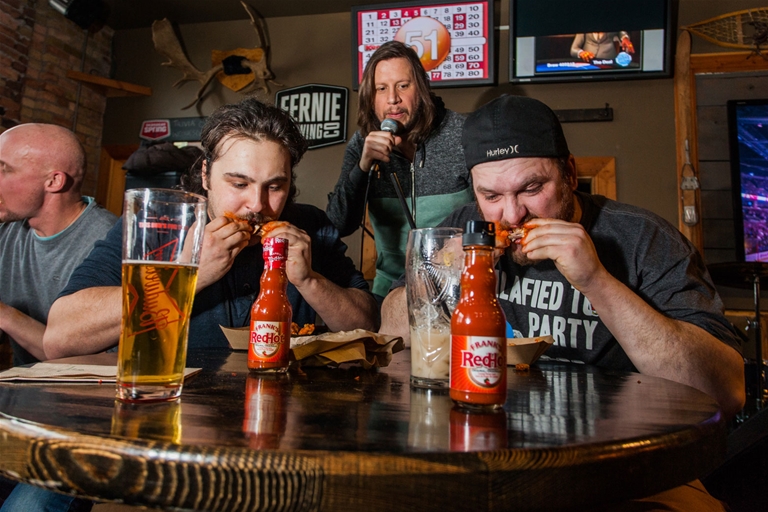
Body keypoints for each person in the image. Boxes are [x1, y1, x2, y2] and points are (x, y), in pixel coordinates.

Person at [381, 95, 745, 509]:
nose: (512, 214)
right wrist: (444, 275)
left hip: (627, 468)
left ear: (570, 173)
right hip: (486, 461)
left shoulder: (643, 239)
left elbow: (726, 390)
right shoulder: (461, 230)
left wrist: (597, 281)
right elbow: (390, 331)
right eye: (491, 195)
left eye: (532, 188)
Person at [43, 98, 379, 359]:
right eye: (239, 183)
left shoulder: (311, 226)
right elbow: (60, 338)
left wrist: (310, 281)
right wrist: (191, 274)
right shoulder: (159, 222)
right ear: (206, 175)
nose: (257, 204)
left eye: (275, 187)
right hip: (175, 412)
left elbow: (369, 326)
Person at [0, 123, 117, 511]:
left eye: (4, 169)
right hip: (17, 411)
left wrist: (4, 315)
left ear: (54, 180)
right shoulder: (9, 233)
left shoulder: (107, 244)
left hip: (82, 422)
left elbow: (91, 362)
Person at [326, 41, 472, 300]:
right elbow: (338, 225)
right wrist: (363, 167)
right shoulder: (362, 143)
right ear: (371, 99)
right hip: (392, 291)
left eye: (403, 86)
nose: (393, 99)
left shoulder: (464, 134)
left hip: (459, 286)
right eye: (381, 89)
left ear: (422, 89)